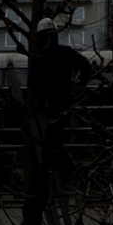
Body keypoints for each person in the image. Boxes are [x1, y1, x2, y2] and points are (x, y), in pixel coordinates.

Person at [32, 18, 91, 179]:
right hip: (60, 103)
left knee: (50, 141)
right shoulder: (63, 53)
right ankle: (64, 171)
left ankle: (63, 172)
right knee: (53, 141)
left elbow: (35, 85)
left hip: (52, 105)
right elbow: (86, 65)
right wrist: (80, 85)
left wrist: (80, 85)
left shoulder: (39, 57)